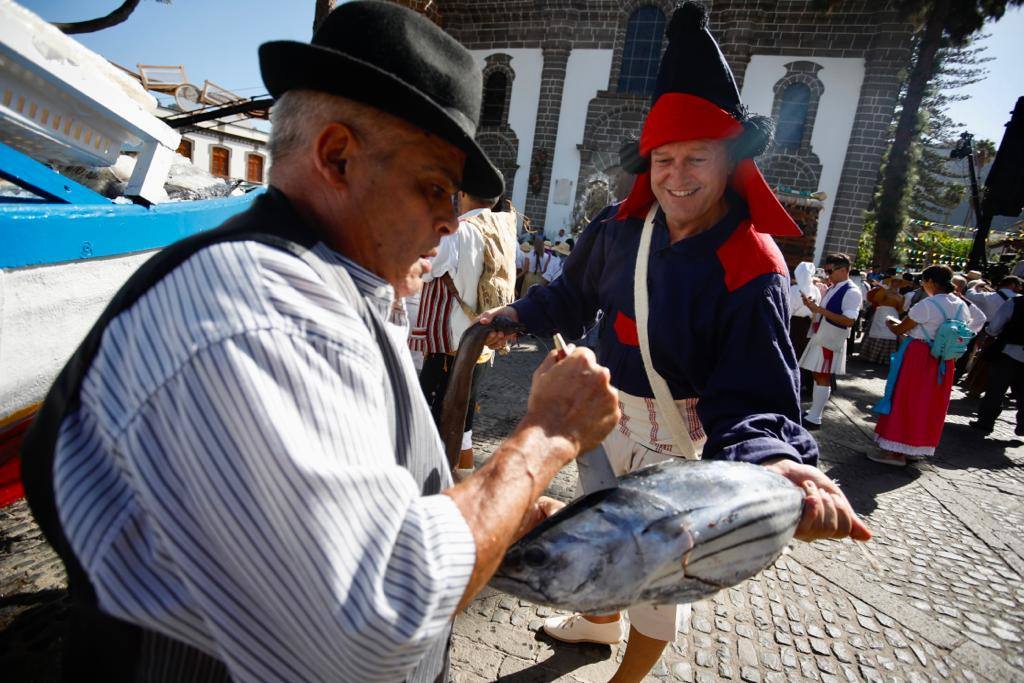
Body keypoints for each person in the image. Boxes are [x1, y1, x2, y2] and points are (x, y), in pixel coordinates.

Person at [19, 4, 622, 681]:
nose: (451, 225)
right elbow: (375, 619)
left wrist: (496, 509)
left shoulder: (333, 284)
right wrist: (543, 437)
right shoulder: (258, 306)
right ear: (336, 156)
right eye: (434, 188)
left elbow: (366, 496)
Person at [481, 5, 870, 681]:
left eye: (697, 157)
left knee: (659, 563)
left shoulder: (752, 264)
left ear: (731, 162)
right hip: (602, 413)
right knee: (600, 520)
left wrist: (771, 461)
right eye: (665, 158)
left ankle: (628, 678)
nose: (678, 175)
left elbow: (753, 395)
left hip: (679, 430)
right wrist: (517, 312)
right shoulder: (617, 228)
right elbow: (570, 296)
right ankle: (597, 621)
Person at [410, 189, 505, 480]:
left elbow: (426, 270)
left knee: (434, 417)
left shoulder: (459, 231)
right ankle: (462, 478)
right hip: (480, 343)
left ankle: (432, 482)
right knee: (464, 419)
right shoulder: (501, 228)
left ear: (462, 194)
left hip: (448, 343)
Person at [871, 265, 985, 466]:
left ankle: (895, 453)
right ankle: (915, 448)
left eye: (924, 281)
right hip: (944, 360)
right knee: (929, 404)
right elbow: (978, 322)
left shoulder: (927, 304)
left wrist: (890, 323)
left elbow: (900, 329)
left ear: (931, 281)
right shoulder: (961, 306)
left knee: (906, 399)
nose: (923, 285)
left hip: (919, 356)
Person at [798, 253, 863, 430]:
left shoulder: (852, 291)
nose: (827, 274)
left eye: (830, 271)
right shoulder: (835, 287)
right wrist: (813, 307)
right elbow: (826, 312)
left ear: (843, 270)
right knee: (817, 375)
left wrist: (819, 309)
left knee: (822, 375)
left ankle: (815, 417)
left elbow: (849, 320)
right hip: (823, 335)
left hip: (832, 337)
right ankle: (813, 413)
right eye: (826, 271)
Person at [971, 293, 1024, 436]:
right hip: (1011, 352)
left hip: (1009, 352)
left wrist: (991, 333)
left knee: (996, 388)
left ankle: (986, 422)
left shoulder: (1016, 302)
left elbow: (994, 327)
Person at [860, 277, 907, 365]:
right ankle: (872, 356)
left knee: (890, 333)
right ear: (891, 282)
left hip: (893, 315)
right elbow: (876, 300)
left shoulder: (901, 297)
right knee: (878, 331)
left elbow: (900, 309)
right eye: (894, 281)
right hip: (881, 313)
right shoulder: (884, 291)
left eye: (898, 282)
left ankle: (885, 358)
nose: (896, 284)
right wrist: (882, 291)